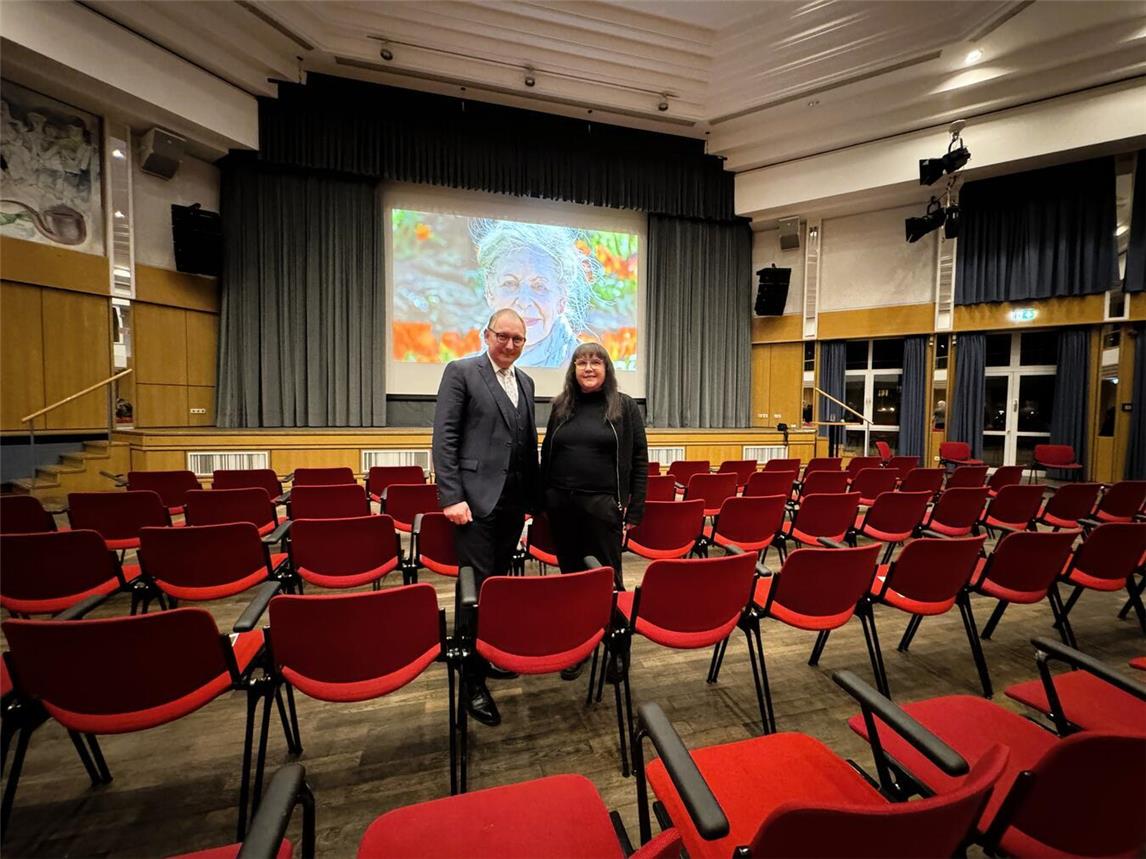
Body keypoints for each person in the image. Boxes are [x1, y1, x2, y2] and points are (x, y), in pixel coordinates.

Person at [432, 308, 540, 727]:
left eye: (518, 339)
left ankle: (488, 655)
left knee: (496, 586)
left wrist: (532, 497)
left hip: (512, 503)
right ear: (486, 334)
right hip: (473, 503)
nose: (510, 344)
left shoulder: (526, 382)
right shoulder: (461, 372)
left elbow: (527, 443)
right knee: (473, 590)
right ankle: (470, 679)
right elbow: (445, 438)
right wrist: (451, 496)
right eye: (503, 336)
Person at [539, 342, 647, 680]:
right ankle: (580, 647)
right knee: (572, 581)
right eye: (581, 362)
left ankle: (618, 647)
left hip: (602, 508)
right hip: (562, 507)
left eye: (595, 362)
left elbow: (640, 462)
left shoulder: (624, 407)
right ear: (572, 369)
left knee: (607, 579)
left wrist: (634, 512)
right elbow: (547, 455)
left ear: (607, 369)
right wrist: (541, 501)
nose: (588, 368)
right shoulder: (561, 406)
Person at [470, 219, 600, 368]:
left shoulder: (587, 373)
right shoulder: (468, 370)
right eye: (510, 284)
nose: (524, 302)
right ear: (489, 291)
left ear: (562, 299)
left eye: (539, 286)